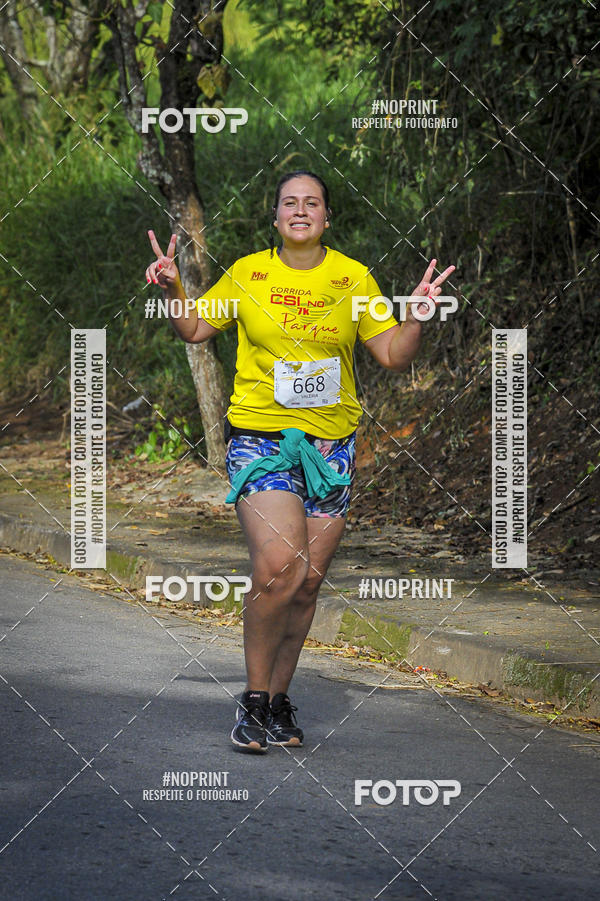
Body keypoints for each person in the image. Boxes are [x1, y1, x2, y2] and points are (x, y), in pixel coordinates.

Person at [146, 170, 455, 753]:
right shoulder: (247, 274)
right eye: (289, 202)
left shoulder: (353, 278)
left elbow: (391, 354)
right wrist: (173, 287)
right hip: (262, 440)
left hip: (331, 450)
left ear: (327, 218)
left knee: (307, 583)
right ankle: (252, 698)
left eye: (312, 202)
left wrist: (415, 318)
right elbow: (195, 328)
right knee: (280, 567)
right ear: (275, 217)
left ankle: (279, 699)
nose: (301, 210)